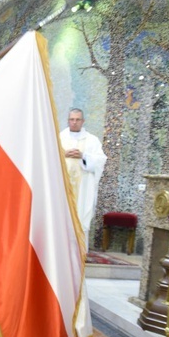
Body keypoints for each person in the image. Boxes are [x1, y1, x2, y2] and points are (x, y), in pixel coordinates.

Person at [59, 108, 107, 251]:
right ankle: (59, 253)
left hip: (83, 189)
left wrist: (84, 156)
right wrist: (63, 154)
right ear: (68, 120)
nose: (74, 122)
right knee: (61, 219)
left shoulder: (92, 140)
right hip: (62, 189)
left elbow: (100, 161)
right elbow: (47, 158)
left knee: (80, 219)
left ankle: (78, 255)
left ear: (83, 121)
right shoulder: (59, 138)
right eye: (72, 119)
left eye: (77, 119)